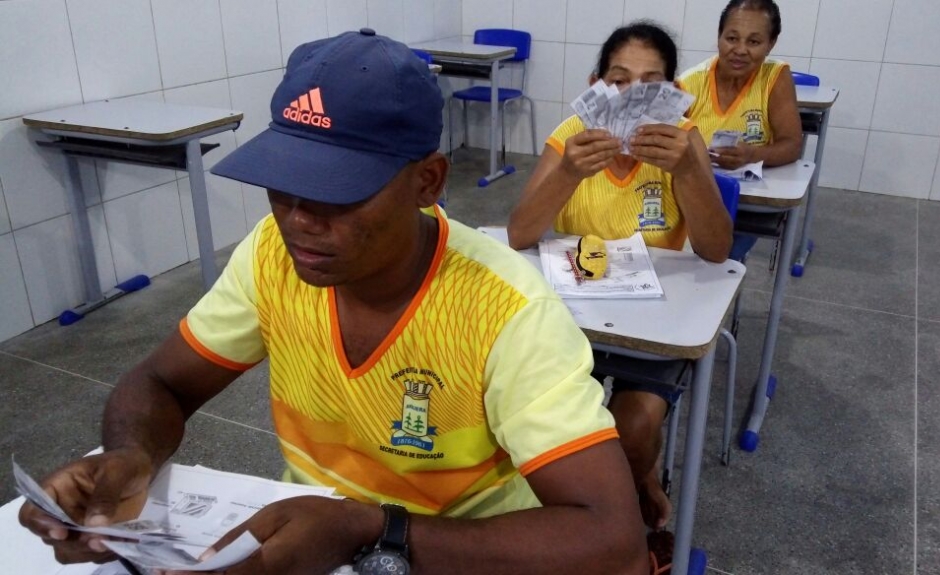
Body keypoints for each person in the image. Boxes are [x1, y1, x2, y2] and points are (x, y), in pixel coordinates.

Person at [19, 29, 648, 575]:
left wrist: (368, 529)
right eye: (283, 183)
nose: (298, 221)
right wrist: (131, 457)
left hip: (466, 551)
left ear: (427, 181)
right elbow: (163, 382)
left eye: (335, 192)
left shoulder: (505, 310)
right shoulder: (271, 256)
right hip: (313, 534)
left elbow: (610, 540)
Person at [507, 22, 734, 532]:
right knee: (540, 428)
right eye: (619, 80)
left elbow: (716, 249)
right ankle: (587, 509)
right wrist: (569, 173)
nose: (633, 97)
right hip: (573, 318)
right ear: (596, 86)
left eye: (650, 83)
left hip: (654, 323)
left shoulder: (684, 140)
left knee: (630, 430)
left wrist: (688, 172)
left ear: (673, 92)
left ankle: (623, 506)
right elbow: (520, 233)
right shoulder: (571, 136)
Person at [676, 0, 803, 259]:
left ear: (771, 44)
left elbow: (792, 145)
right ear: (719, 37)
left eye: (754, 42)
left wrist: (751, 154)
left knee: (721, 257)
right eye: (732, 38)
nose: (740, 50)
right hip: (693, 198)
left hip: (748, 204)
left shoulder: (775, 78)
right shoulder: (690, 84)